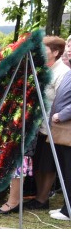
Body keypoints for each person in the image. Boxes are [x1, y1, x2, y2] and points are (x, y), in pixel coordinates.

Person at [24, 36, 70, 211]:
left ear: (56, 52)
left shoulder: (63, 72)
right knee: (38, 162)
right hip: (38, 124)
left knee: (48, 164)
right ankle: (38, 196)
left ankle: (43, 198)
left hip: (53, 125)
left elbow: (61, 100)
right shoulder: (42, 69)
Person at [49, 72, 71, 221]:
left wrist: (62, 115)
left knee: (69, 170)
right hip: (62, 128)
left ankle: (68, 210)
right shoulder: (68, 72)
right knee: (64, 170)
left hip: (67, 125)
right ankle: (66, 205)